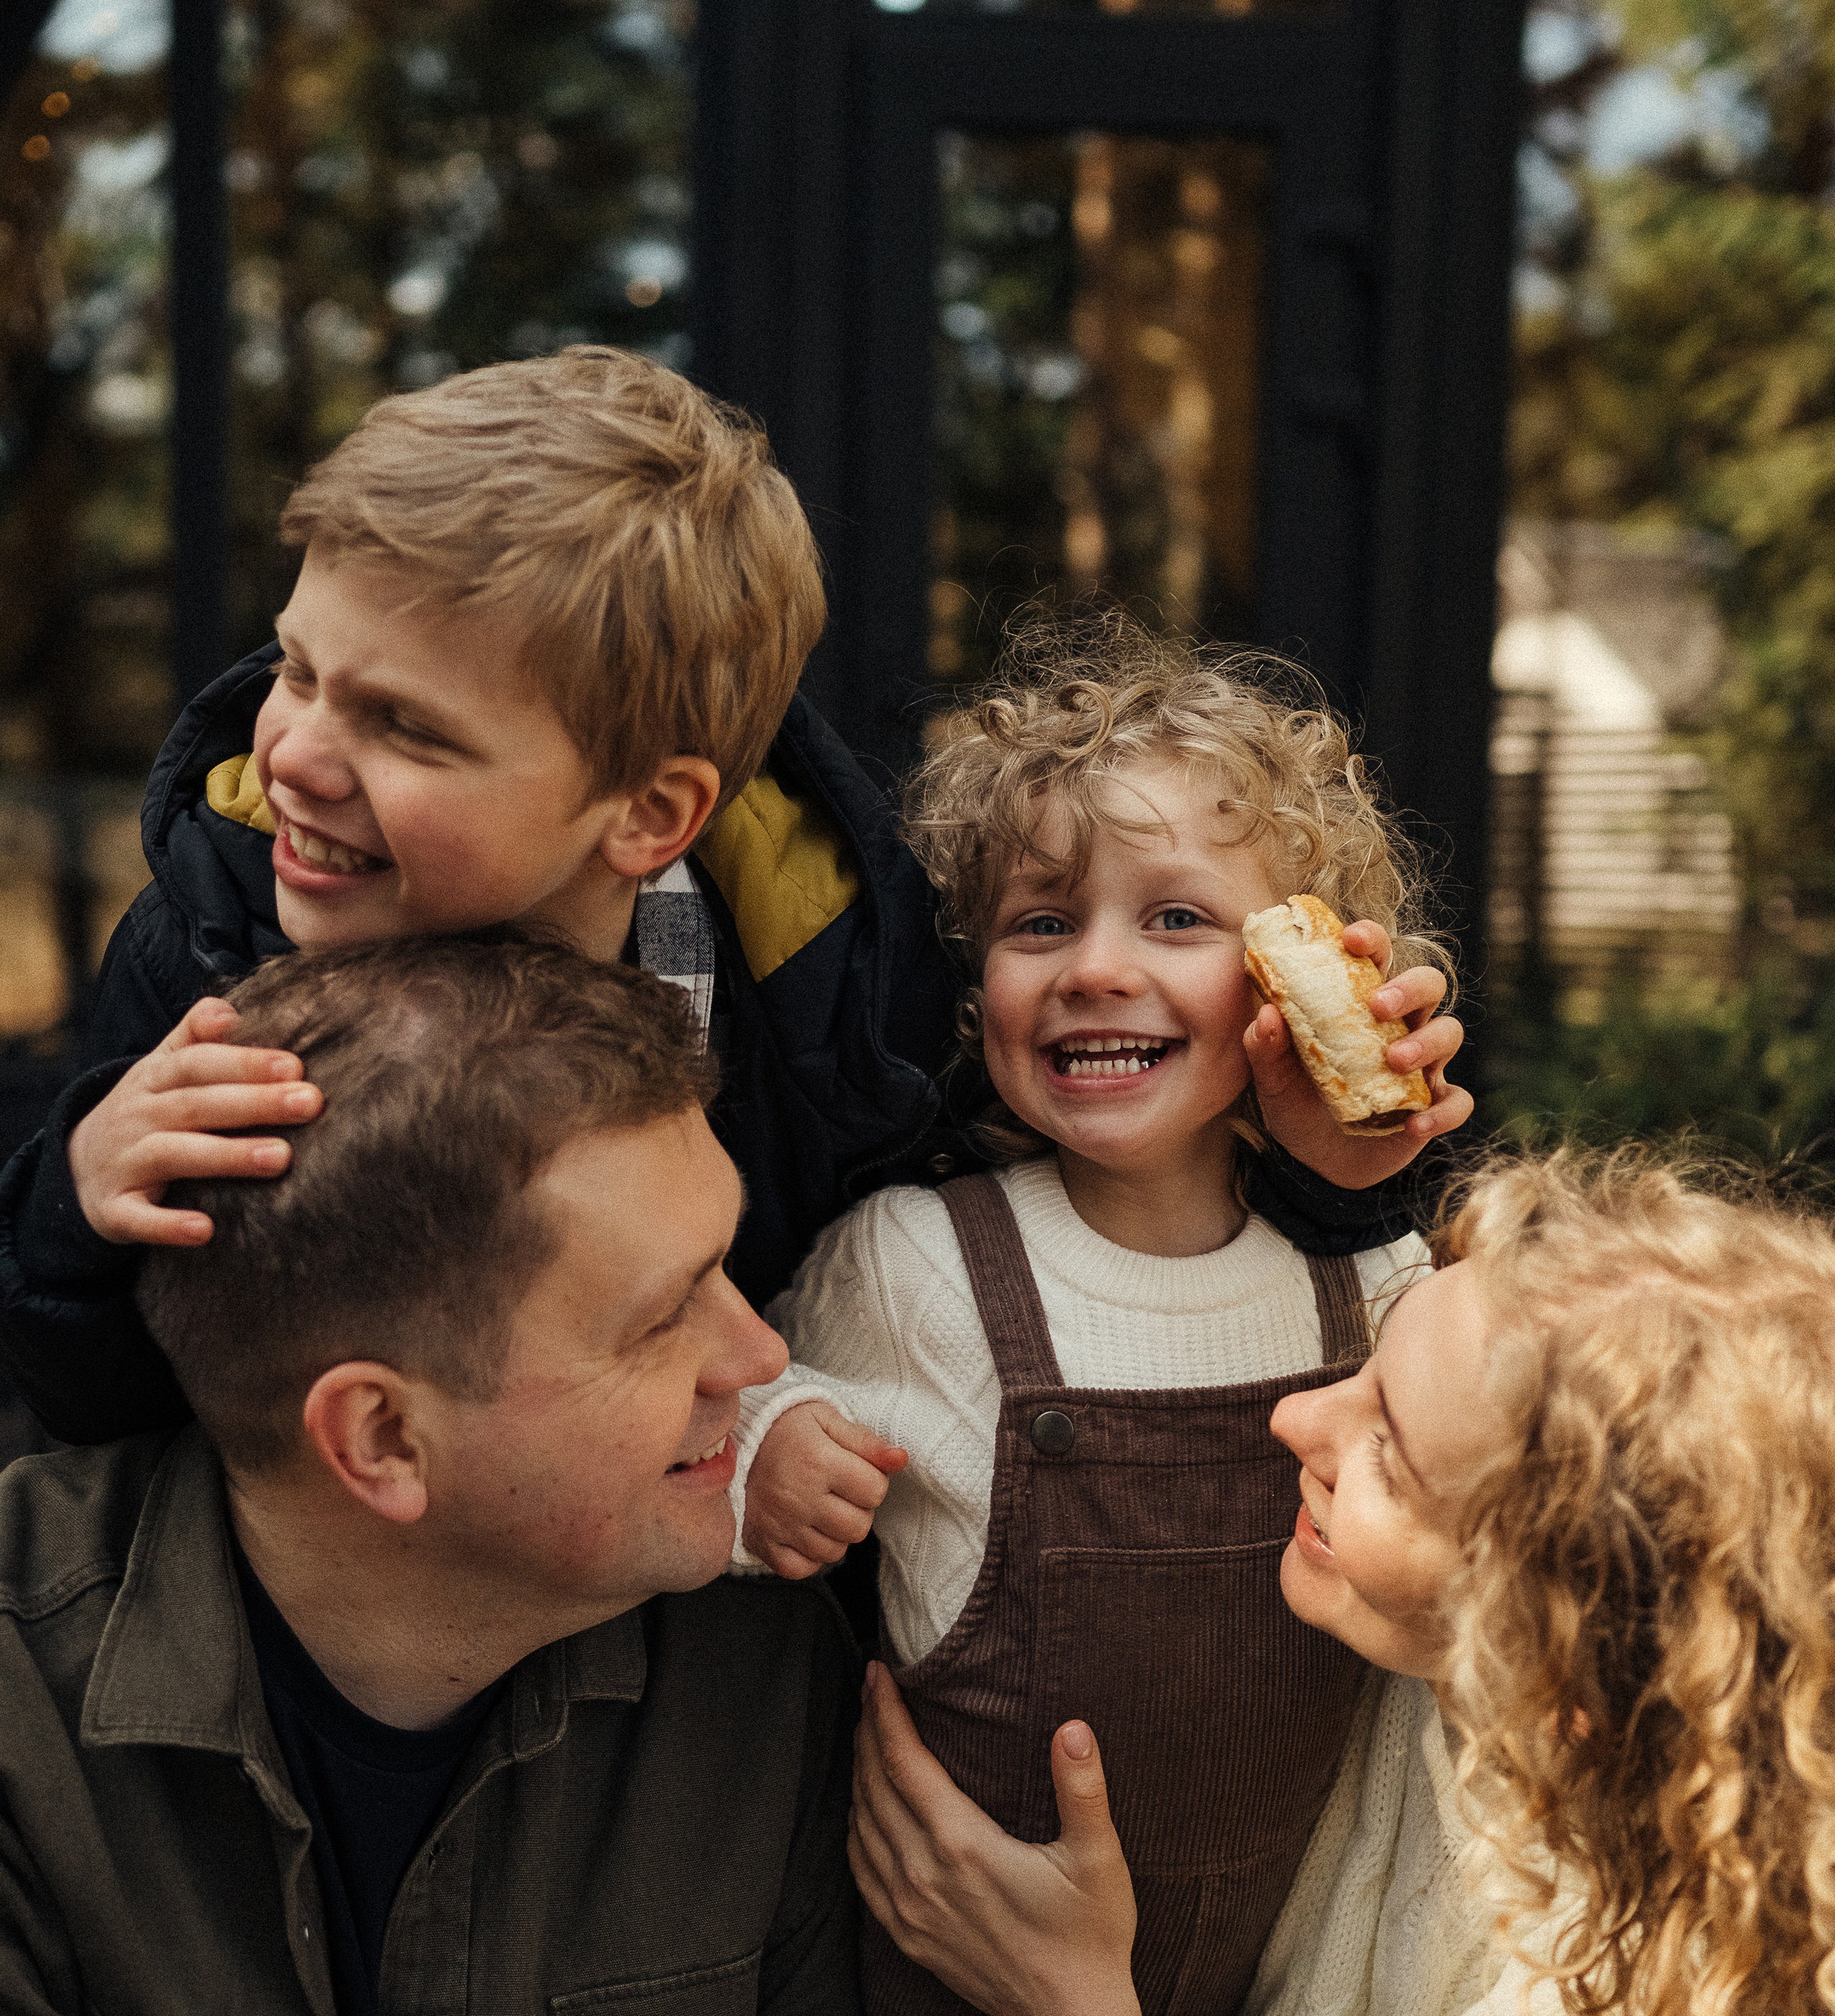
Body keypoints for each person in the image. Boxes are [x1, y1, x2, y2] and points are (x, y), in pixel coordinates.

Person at [0, 353, 1457, 1452]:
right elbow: (86, 1401)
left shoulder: (830, 990)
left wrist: (1336, 1175)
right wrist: (77, 1206)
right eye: (296, 669)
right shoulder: (207, 954)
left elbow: (1094, 1224)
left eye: (410, 728)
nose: (297, 751)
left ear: (649, 816)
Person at [0, 928, 920, 2016]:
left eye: (727, 1266)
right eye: (660, 1323)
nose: (759, 1357)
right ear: (381, 1438)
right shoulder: (24, 1728)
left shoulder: (751, 1664)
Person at [726, 624, 1466, 2016]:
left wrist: (1381, 1167)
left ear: (1301, 978)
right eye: (1040, 920)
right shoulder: (915, 1260)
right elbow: (733, 1392)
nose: (1099, 968)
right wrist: (765, 1447)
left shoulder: (1371, 1292)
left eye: (1180, 920)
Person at [852, 1149, 1835, 2016]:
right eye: (1363, 1368)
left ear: (1565, 1651)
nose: (1295, 1415)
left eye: (1388, 1451)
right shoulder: (1516, 1708)